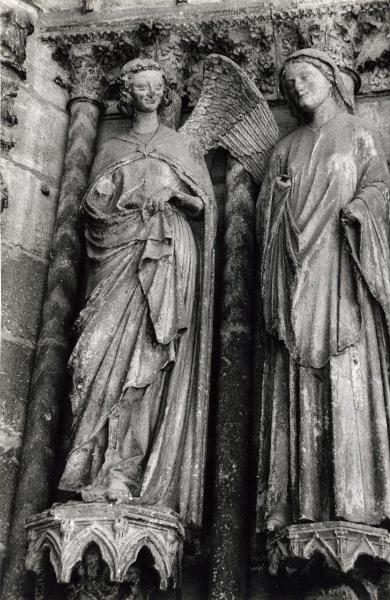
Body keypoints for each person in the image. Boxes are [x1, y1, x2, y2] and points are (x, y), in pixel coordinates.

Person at [58, 58, 216, 528]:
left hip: (165, 259)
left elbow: (204, 206)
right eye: (139, 87)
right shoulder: (110, 147)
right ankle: (88, 465)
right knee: (93, 358)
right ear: (127, 95)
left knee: (146, 362)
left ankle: (126, 472)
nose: (148, 93)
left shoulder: (181, 145)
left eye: (155, 87)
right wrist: (107, 198)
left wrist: (173, 199)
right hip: (116, 262)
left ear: (165, 93)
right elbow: (90, 212)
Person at [256, 49, 390, 532]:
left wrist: (362, 208)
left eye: (305, 76)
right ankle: (294, 502)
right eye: (289, 82)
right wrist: (275, 197)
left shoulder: (359, 134)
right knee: (295, 377)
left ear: (329, 77)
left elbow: (380, 187)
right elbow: (265, 218)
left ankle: (355, 499)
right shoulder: (284, 148)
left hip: (343, 271)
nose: (298, 87)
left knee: (347, 374)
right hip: (297, 277)